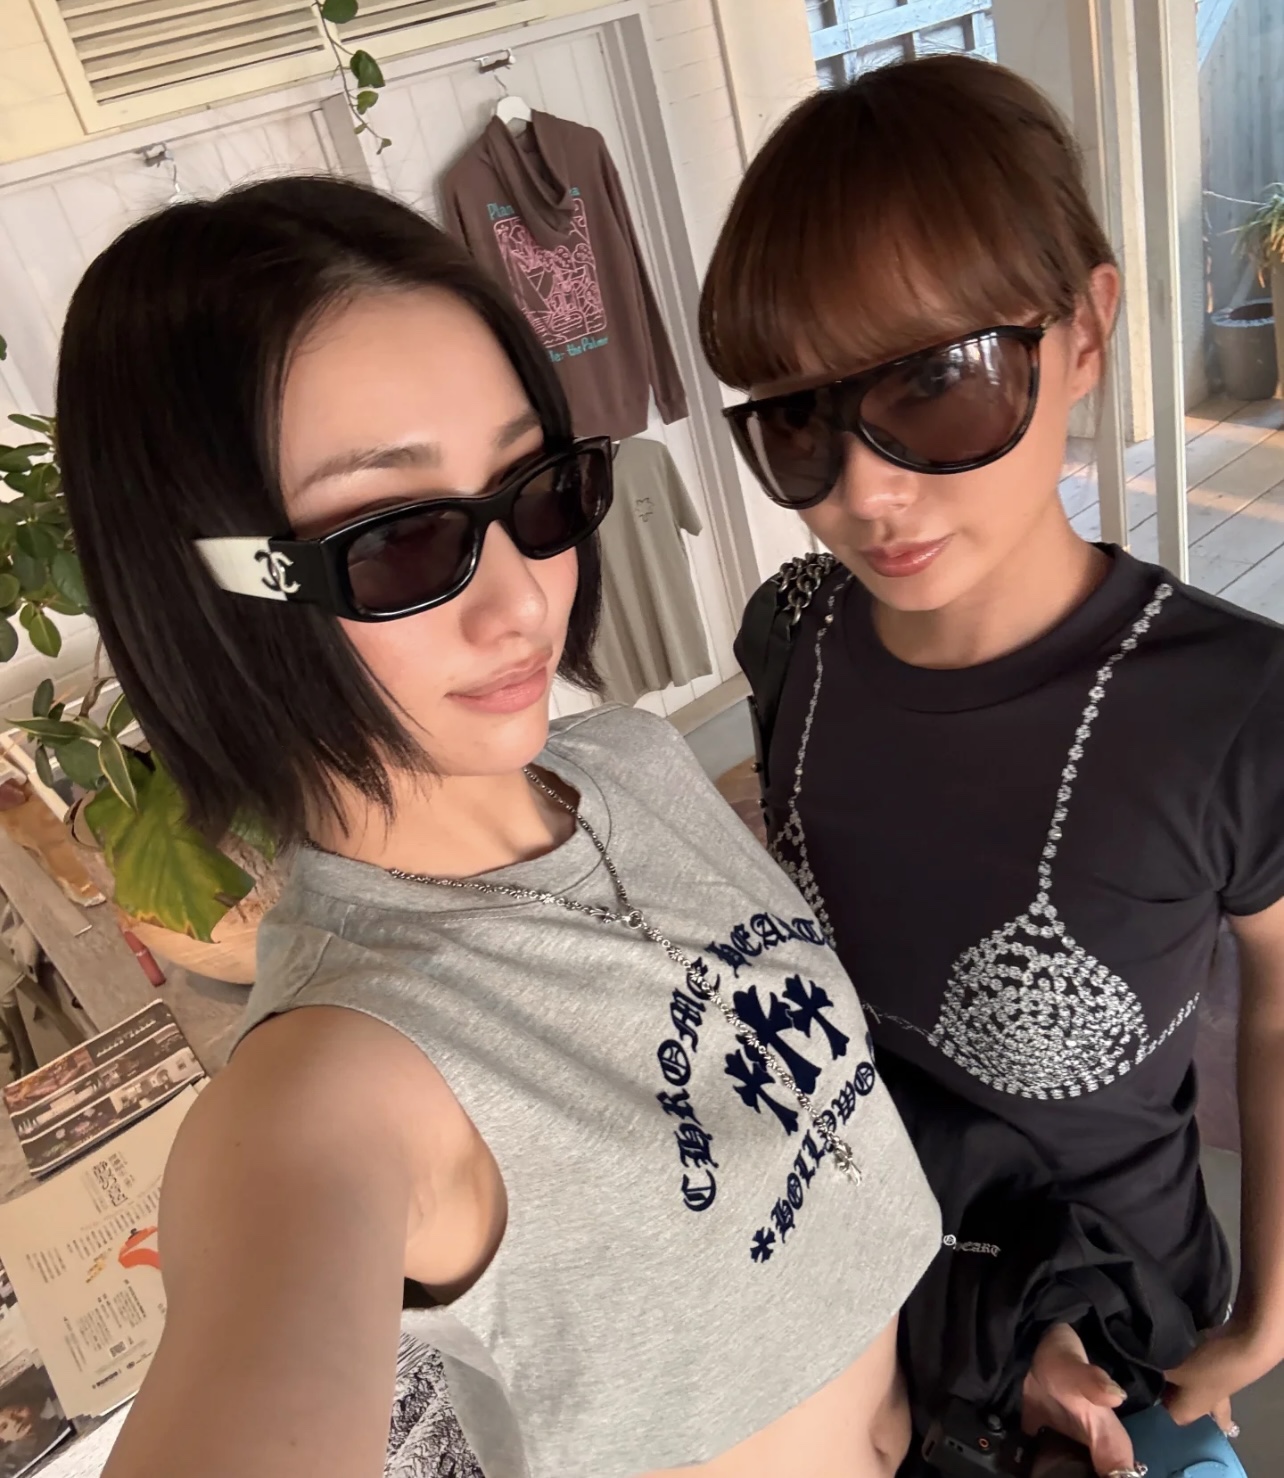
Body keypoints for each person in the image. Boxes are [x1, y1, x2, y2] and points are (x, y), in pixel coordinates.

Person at [55, 176, 942, 1478]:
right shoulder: (335, 1084)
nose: (522, 604)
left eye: (536, 490)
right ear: (209, 597)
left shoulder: (632, 759)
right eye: (398, 541)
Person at [699, 55, 1279, 1478]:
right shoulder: (794, 635)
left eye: (934, 384)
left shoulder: (1235, 710)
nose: (864, 490)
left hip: (1119, 1347)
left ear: (1086, 330)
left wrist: (1268, 1316)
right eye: (798, 417)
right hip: (864, 1314)